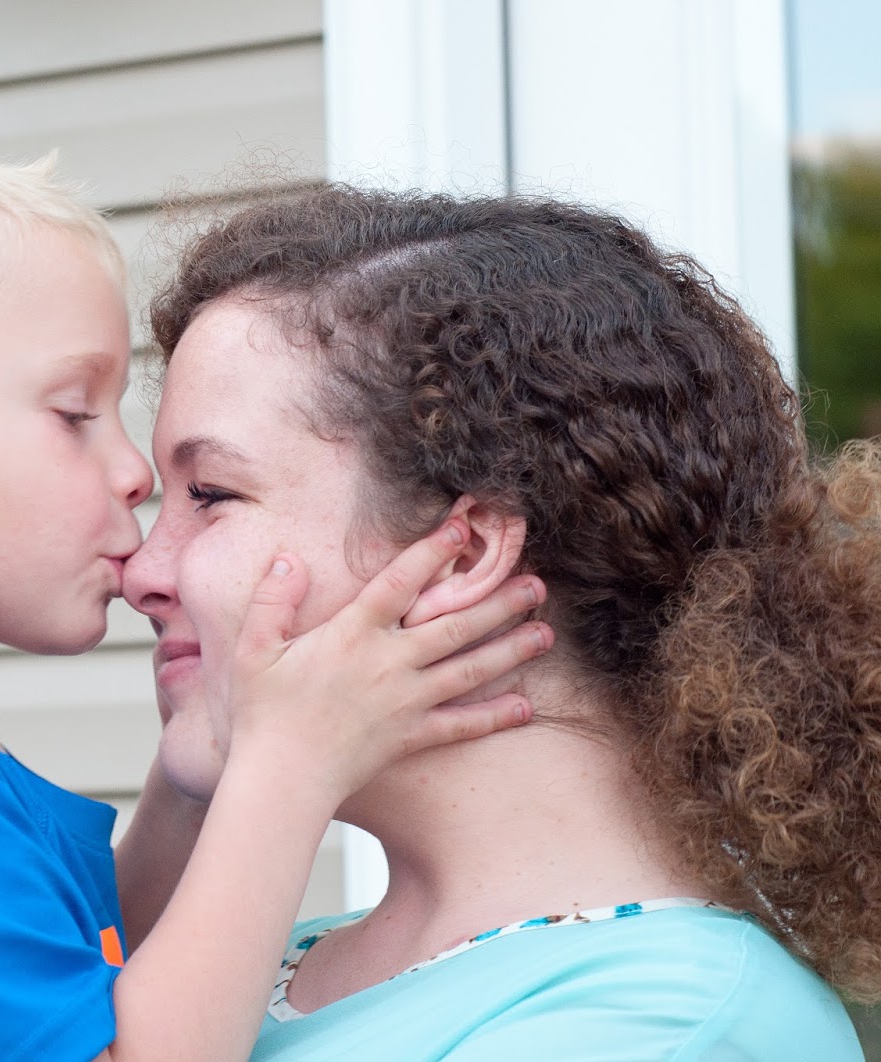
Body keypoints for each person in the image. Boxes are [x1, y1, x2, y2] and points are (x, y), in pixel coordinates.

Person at [0, 128, 552, 1061]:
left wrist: (192, 787)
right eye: (74, 413)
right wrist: (290, 764)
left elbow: (81, 986)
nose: (131, 472)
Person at [124, 185, 881, 1059]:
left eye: (211, 493)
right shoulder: (254, 977)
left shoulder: (667, 1026)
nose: (141, 574)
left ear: (464, 556)